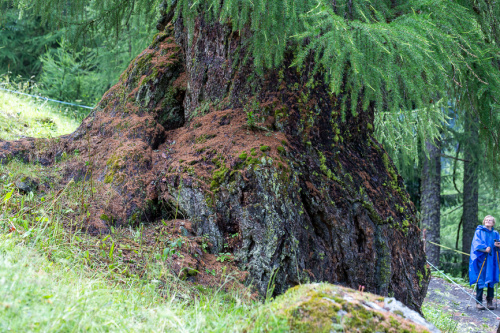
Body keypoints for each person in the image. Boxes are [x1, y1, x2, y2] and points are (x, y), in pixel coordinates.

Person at [469, 215, 500, 310]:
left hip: (492, 260)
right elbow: (476, 244)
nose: (488, 221)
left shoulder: (495, 233)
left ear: (493, 223)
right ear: (484, 221)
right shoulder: (479, 231)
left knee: (491, 279)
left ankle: (489, 302)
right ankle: (478, 302)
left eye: (490, 220)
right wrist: (484, 249)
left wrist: (498, 245)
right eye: (486, 220)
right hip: (482, 259)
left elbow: (498, 243)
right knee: (481, 278)